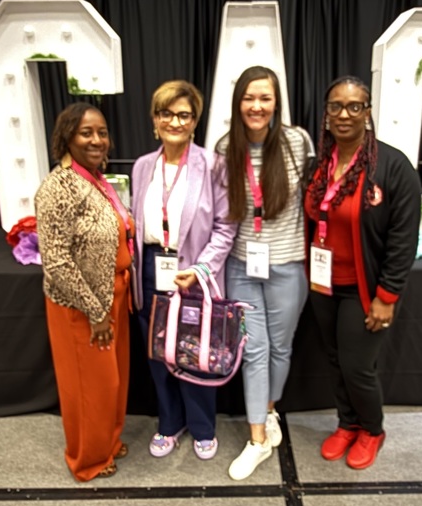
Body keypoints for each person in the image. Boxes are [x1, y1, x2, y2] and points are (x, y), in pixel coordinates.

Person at [304, 76, 421, 470]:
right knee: (335, 360)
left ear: (368, 114)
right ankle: (347, 423)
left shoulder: (392, 166)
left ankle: (372, 429)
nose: (344, 114)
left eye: (355, 106)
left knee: (358, 366)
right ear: (325, 115)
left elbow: (403, 240)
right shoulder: (318, 165)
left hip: (365, 289)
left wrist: (387, 297)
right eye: (336, 106)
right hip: (323, 284)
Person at [217, 65, 314, 480]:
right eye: (249, 98)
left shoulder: (297, 142)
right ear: (238, 103)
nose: (257, 107)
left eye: (265, 98)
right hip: (241, 265)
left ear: (276, 103)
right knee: (252, 351)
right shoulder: (225, 149)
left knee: (280, 348)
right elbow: (221, 216)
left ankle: (270, 410)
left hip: (288, 265)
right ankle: (257, 439)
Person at [132, 80, 237, 461]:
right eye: (166, 113)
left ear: (194, 121)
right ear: (155, 119)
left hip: (192, 270)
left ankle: (203, 427)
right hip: (150, 269)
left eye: (183, 115)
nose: (174, 121)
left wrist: (200, 269)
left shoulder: (213, 165)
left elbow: (227, 227)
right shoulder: (143, 166)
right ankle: (169, 423)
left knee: (195, 350)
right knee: (158, 354)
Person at [35, 102, 133, 482]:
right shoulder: (57, 188)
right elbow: (56, 262)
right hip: (82, 304)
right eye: (86, 133)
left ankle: (107, 442)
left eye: (102, 132)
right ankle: (88, 459)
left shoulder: (96, 178)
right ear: (67, 137)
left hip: (115, 294)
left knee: (114, 379)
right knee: (90, 385)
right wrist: (95, 311)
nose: (97, 140)